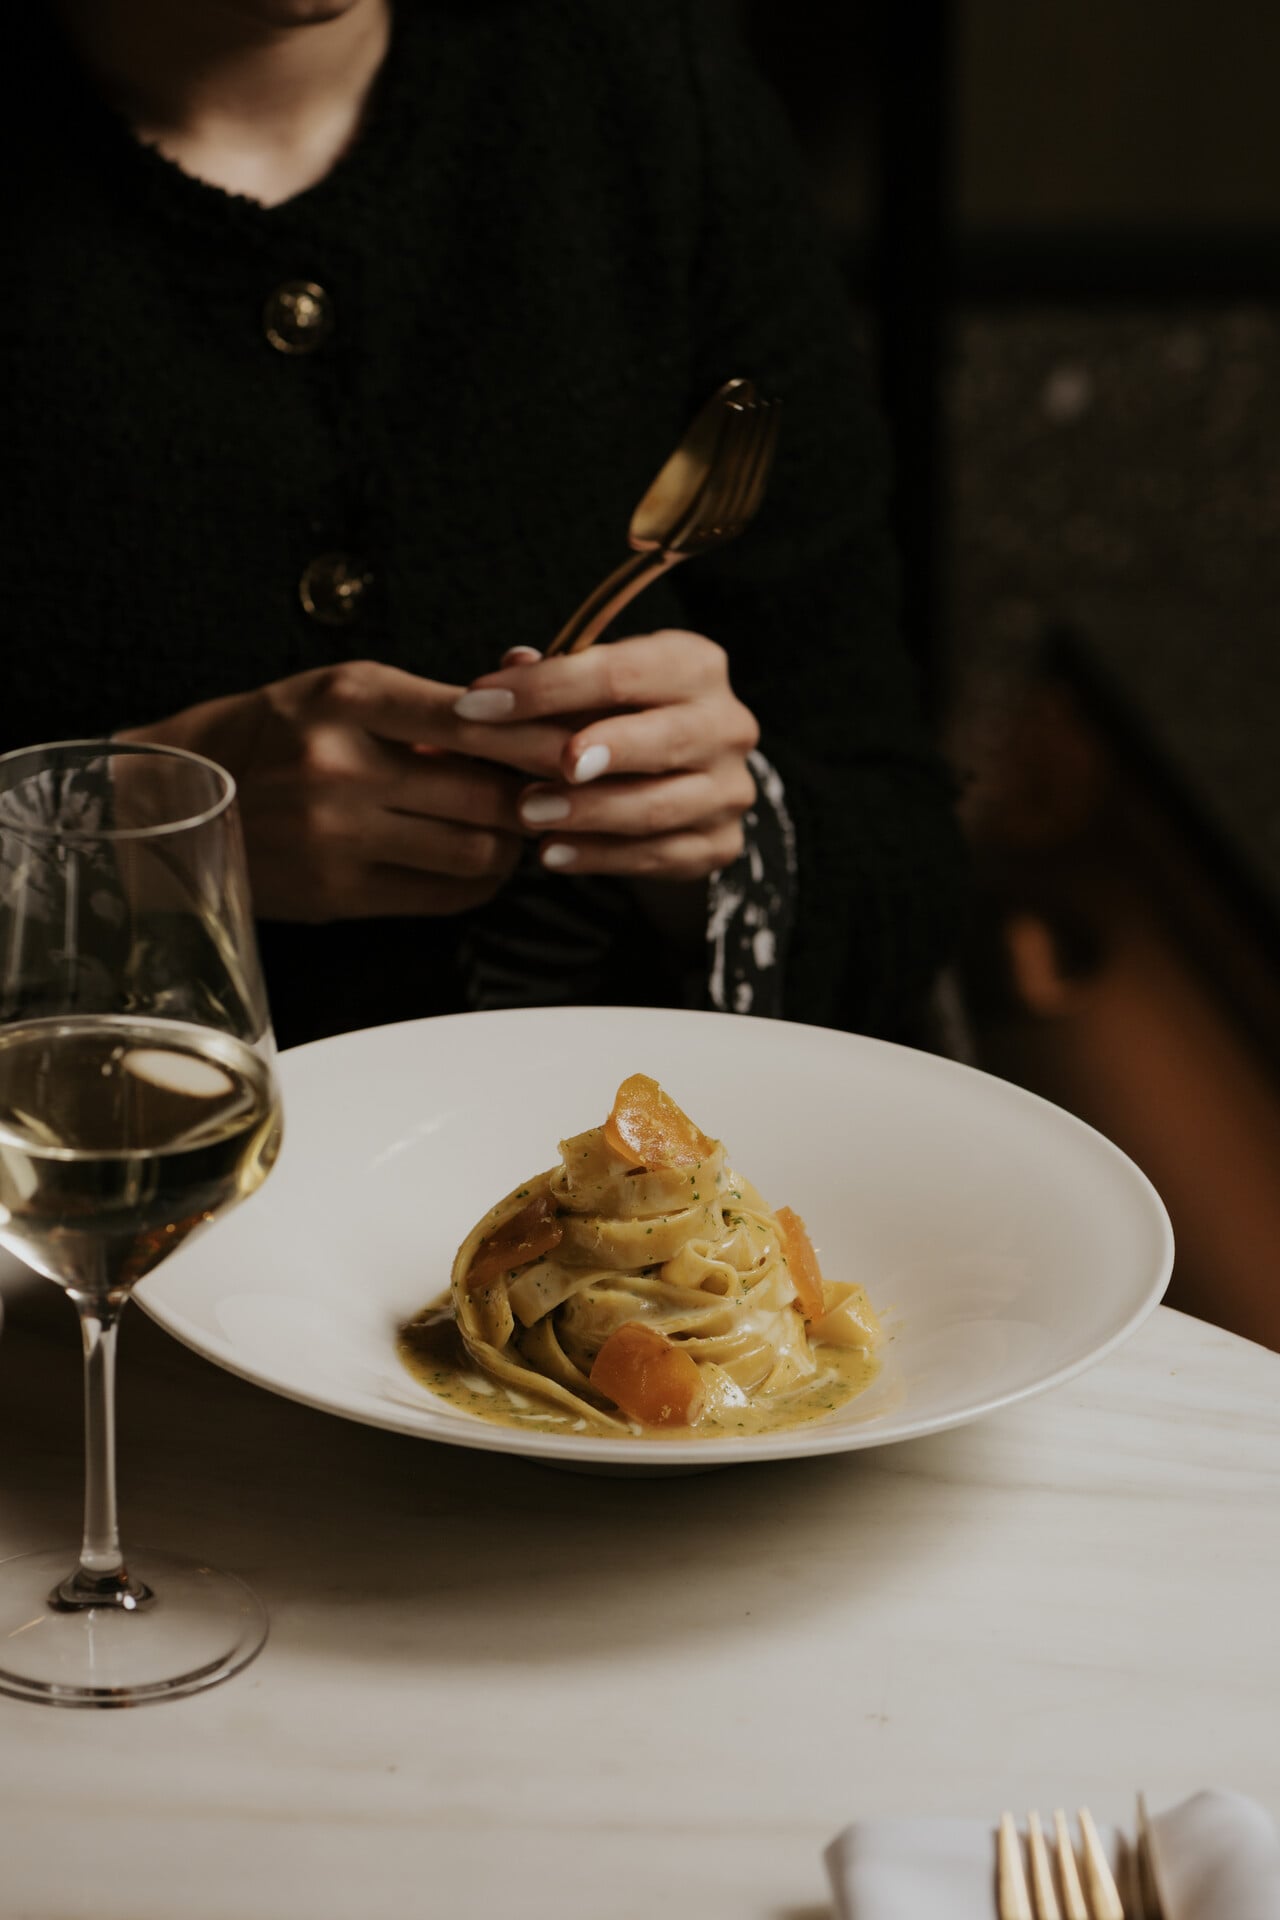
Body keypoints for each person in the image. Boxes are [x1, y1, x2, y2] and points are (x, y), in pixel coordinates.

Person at [6, 0, 966, 1047]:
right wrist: (113, 840)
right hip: (97, 1138)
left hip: (608, 1126)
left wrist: (714, 836)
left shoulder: (642, 87)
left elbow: (903, 855)